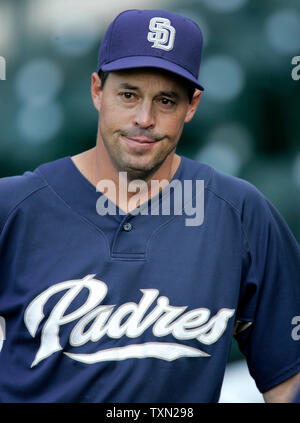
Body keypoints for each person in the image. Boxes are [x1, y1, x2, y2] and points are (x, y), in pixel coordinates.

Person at [0, 9, 299, 403]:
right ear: (96, 90)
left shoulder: (241, 213)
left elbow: (287, 381)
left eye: (166, 100)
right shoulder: (14, 206)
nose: (145, 118)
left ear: (192, 106)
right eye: (128, 95)